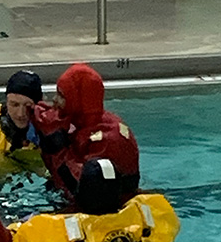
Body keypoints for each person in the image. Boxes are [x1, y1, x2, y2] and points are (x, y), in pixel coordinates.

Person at [31, 62, 140, 213]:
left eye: (62, 96)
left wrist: (56, 146)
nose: (55, 100)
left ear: (78, 99)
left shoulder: (109, 138)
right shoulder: (82, 121)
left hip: (105, 210)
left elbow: (83, 190)